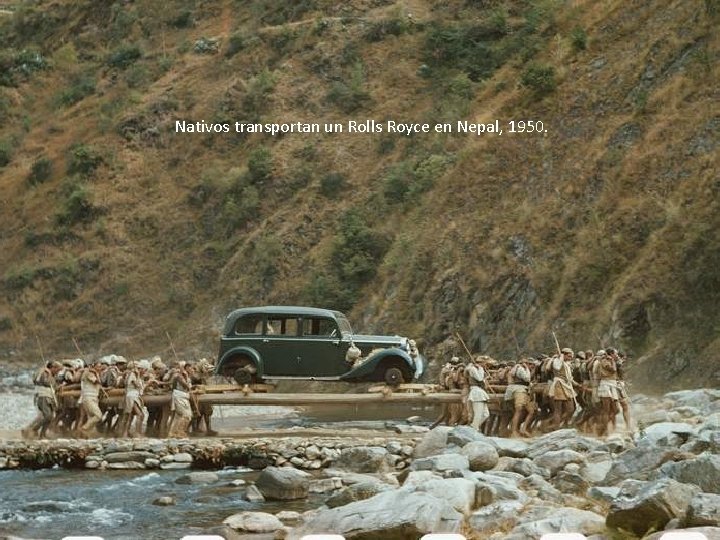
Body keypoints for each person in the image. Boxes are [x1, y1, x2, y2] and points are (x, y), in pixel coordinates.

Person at [23, 361, 62, 439]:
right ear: (53, 368)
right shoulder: (44, 373)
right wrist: (49, 374)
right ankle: (34, 429)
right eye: (57, 369)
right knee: (47, 416)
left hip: (49, 396)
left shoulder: (53, 375)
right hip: (43, 396)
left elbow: (53, 386)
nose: (58, 372)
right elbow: (44, 381)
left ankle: (42, 434)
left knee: (51, 417)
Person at [504, 358, 535, 437]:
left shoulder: (519, 368)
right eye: (529, 364)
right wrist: (527, 369)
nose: (531, 366)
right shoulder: (520, 368)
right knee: (518, 410)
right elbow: (527, 378)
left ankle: (523, 428)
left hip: (523, 391)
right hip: (519, 390)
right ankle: (514, 431)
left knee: (531, 411)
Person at [549, 348, 577, 429]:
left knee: (571, 409)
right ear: (563, 355)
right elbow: (557, 367)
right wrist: (560, 358)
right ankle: (556, 427)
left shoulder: (566, 364)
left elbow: (569, 377)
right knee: (558, 409)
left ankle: (560, 424)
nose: (571, 358)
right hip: (559, 385)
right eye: (569, 356)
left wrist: (577, 384)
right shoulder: (557, 361)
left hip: (567, 386)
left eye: (571, 356)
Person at [168, 361, 193, 438]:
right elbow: (186, 386)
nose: (192, 370)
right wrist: (185, 377)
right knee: (186, 415)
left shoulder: (186, 376)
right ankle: (179, 432)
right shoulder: (179, 376)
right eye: (191, 368)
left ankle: (172, 433)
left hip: (184, 396)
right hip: (179, 396)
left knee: (178, 416)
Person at [79, 359, 103, 436]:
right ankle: (84, 428)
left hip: (93, 397)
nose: (100, 368)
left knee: (91, 417)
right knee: (98, 415)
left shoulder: (94, 373)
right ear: (93, 366)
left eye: (100, 367)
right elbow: (97, 382)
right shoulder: (89, 373)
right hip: (89, 397)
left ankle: (85, 435)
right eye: (98, 367)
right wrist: (96, 373)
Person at [465, 355, 490, 430]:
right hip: (476, 392)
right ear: (480, 363)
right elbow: (479, 378)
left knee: (486, 414)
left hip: (480, 391)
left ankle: (473, 427)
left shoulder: (479, 369)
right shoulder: (473, 369)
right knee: (478, 414)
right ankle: (474, 429)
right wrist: (480, 369)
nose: (485, 365)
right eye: (484, 363)